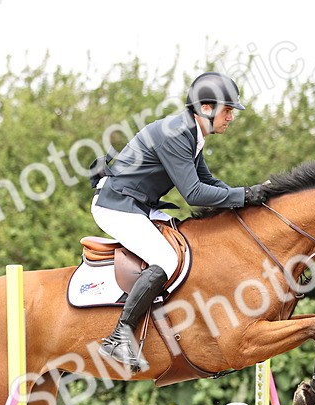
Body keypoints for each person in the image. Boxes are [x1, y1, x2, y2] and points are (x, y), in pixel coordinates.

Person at [91, 71, 270, 371]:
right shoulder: (177, 133)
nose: (231, 117)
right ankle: (119, 336)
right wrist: (246, 195)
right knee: (166, 258)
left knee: (188, 245)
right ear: (207, 108)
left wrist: (247, 199)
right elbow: (194, 193)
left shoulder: (192, 132)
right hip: (116, 205)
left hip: (140, 205)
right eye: (228, 110)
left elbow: (207, 179)